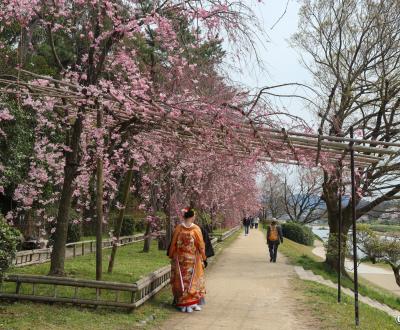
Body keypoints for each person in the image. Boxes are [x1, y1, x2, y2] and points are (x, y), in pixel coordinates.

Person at [168, 208, 207, 313]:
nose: (195, 217)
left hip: (181, 259)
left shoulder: (178, 228)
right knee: (191, 281)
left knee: (183, 281)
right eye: (194, 215)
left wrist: (171, 255)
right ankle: (189, 303)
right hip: (192, 259)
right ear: (191, 216)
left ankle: (189, 303)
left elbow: (173, 244)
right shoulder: (196, 229)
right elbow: (201, 245)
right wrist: (204, 257)